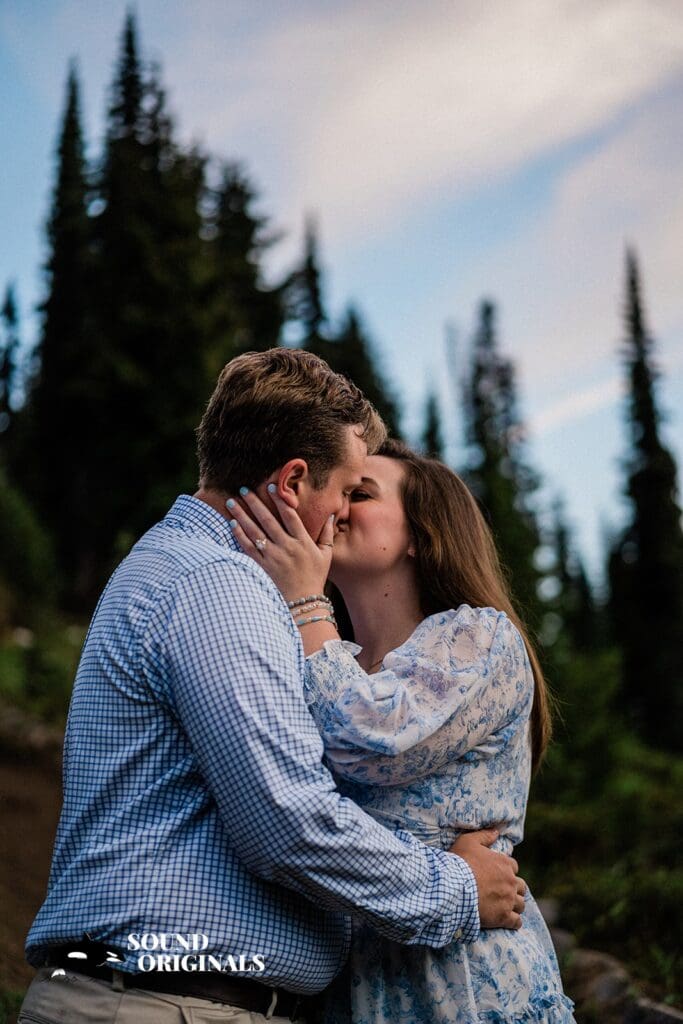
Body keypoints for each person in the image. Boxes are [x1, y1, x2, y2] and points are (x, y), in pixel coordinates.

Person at [19, 350, 525, 1024]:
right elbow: (286, 824)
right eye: (347, 489)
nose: (342, 513)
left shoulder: (192, 572)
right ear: (291, 481)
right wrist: (455, 890)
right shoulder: (218, 585)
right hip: (165, 1004)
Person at [227, 437, 576, 1024]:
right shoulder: (319, 658)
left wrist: (306, 603)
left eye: (359, 493)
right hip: (343, 991)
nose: (337, 507)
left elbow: (368, 740)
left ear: (421, 535)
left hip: (463, 984)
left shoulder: (478, 638)